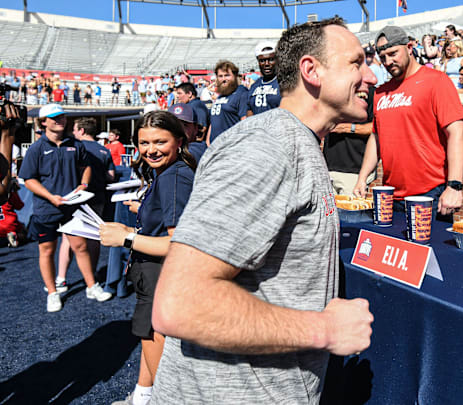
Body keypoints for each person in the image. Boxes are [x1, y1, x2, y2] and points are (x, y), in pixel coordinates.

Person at [148, 17, 375, 404]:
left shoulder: (294, 142)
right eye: (356, 62)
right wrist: (324, 329)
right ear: (311, 70)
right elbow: (181, 304)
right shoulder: (267, 147)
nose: (371, 75)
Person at [103, 111, 196, 405]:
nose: (150, 150)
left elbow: (178, 243)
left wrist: (126, 238)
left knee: (158, 347)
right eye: (144, 143)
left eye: (159, 141)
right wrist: (130, 229)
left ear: (178, 141)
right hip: (152, 273)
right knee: (148, 335)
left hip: (161, 274)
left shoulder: (174, 177)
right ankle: (143, 397)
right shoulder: (167, 173)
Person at [353, 25, 463, 221]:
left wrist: (454, 185)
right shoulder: (380, 92)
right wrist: (362, 178)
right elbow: (376, 137)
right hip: (390, 196)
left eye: (393, 53)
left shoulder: (436, 81)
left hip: (430, 194)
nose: (388, 62)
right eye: (383, 57)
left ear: (410, 46)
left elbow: (458, 133)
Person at [18, 104, 112, 312]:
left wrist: (84, 184)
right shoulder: (36, 149)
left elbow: (85, 166)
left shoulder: (75, 145)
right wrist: (51, 197)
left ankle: (91, 286)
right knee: (47, 250)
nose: (59, 120)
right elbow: (29, 179)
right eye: (54, 118)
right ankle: (52, 292)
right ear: (43, 122)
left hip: (72, 207)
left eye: (61, 117)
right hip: (46, 209)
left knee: (80, 247)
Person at [55, 117, 116, 292]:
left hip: (74, 198)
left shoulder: (72, 148)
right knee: (93, 237)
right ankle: (92, 276)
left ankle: (61, 278)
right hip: (97, 198)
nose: (73, 132)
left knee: (67, 237)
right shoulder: (104, 150)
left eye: (74, 129)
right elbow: (110, 176)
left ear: (81, 131)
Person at [323, 86, 376, 195]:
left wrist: (350, 128)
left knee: (350, 212)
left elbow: (379, 126)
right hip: (327, 170)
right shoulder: (330, 89)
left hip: (354, 172)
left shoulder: (369, 92)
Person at [206, 60, 250, 145]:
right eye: (220, 76)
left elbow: (245, 122)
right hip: (214, 148)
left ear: (235, 76)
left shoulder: (242, 93)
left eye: (227, 75)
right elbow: (214, 120)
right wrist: (208, 141)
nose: (223, 79)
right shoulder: (221, 95)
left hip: (230, 147)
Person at [246, 41, 282, 117]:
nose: (266, 64)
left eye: (271, 59)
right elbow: (249, 112)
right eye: (262, 61)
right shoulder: (254, 86)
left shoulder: (284, 83)